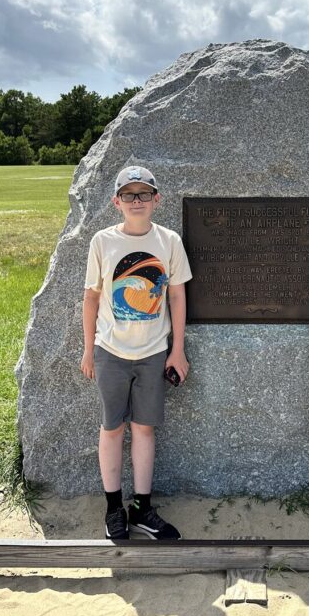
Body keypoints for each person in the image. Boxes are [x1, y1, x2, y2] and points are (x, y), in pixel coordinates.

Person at [80, 165, 192, 540]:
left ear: (156, 200)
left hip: (153, 352)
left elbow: (176, 294)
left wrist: (178, 350)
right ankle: (114, 508)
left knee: (145, 429)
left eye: (144, 194)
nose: (137, 200)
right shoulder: (102, 242)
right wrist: (87, 350)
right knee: (112, 428)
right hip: (110, 350)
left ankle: (142, 508)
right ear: (117, 201)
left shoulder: (169, 241)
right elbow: (91, 297)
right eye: (129, 194)